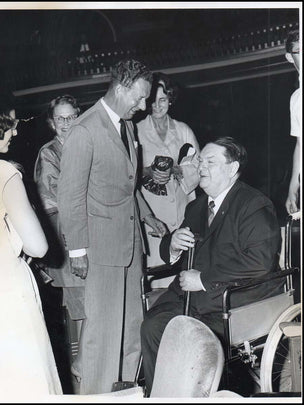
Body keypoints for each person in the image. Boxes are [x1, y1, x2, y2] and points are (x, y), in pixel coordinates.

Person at [140, 137, 283, 396]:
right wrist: (172, 245)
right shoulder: (196, 206)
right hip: (192, 298)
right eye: (200, 161)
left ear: (231, 168)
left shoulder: (253, 205)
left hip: (233, 301)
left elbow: (259, 261)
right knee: (152, 326)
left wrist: (204, 279)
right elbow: (178, 251)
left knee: (195, 339)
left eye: (210, 162)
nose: (201, 167)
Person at [57, 59, 167, 394]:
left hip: (130, 247)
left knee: (132, 330)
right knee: (102, 336)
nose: (144, 105)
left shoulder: (127, 127)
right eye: (140, 97)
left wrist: (148, 215)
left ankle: (125, 394)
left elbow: (126, 186)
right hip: (100, 250)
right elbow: (69, 196)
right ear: (121, 88)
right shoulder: (85, 130)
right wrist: (77, 251)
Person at [0, 107, 63, 401]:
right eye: (11, 125)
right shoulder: (4, 173)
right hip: (3, 287)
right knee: (22, 375)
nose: (16, 132)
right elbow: (38, 247)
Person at [34, 95, 86, 373]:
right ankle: (80, 368)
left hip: (86, 238)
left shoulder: (85, 145)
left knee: (88, 306)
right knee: (81, 307)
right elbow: (58, 197)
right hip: (66, 242)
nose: (66, 123)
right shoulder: (49, 152)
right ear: (52, 123)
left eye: (71, 117)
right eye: (60, 118)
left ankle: (84, 366)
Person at [137, 72, 200, 272]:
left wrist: (175, 170)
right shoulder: (135, 131)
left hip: (182, 212)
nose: (157, 106)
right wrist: (147, 171)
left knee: (184, 272)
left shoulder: (184, 130)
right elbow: (124, 174)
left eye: (162, 100)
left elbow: (199, 168)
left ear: (170, 99)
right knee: (156, 273)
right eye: (152, 101)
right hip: (152, 214)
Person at [285, 29, 301, 215]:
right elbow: (300, 144)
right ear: (290, 57)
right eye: (300, 51)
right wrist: (292, 188)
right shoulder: (296, 99)